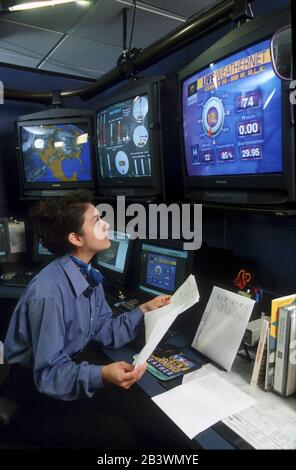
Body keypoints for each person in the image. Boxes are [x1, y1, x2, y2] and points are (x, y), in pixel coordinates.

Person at [3, 190, 171, 448]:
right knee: (121, 436)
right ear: (76, 238)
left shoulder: (87, 275)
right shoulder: (48, 295)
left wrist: (145, 310)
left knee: (134, 412)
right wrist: (102, 374)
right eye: (97, 220)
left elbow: (104, 330)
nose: (106, 225)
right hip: (34, 396)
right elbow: (49, 374)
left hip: (60, 378)